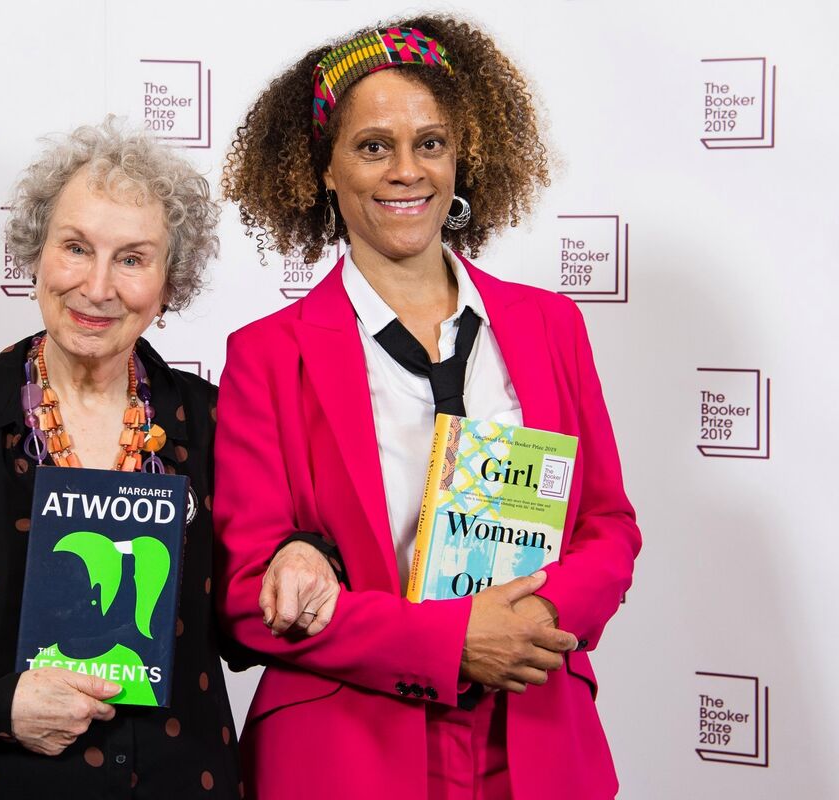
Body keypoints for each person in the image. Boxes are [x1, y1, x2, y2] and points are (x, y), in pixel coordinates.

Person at [0, 119, 332, 799]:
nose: (98, 287)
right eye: (75, 248)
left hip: (177, 781)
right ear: (37, 254)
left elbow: (247, 621)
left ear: (169, 281)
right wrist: (0, 706)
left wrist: (301, 554)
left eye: (132, 259)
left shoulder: (213, 421)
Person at [214, 16, 641, 800]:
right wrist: (450, 644)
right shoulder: (268, 354)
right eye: (374, 146)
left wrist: (536, 619)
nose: (407, 171)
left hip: (536, 735)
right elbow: (247, 595)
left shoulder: (551, 326)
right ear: (325, 170)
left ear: (460, 157)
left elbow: (608, 526)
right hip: (351, 751)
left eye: (430, 143)